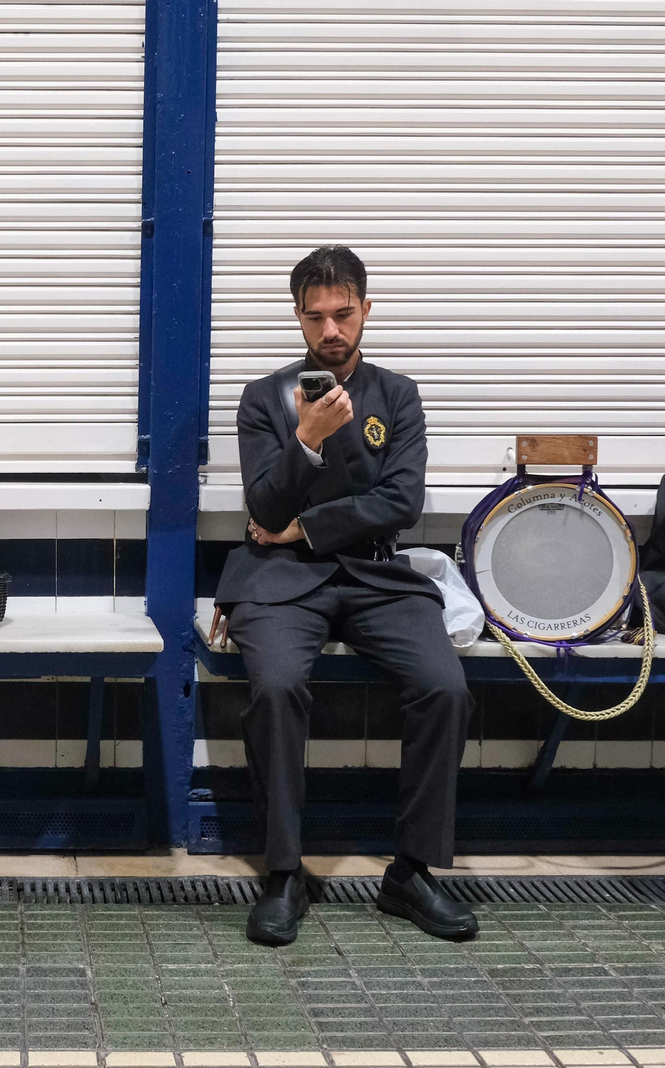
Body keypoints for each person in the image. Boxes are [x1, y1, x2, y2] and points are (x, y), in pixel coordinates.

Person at [215, 245, 478, 946]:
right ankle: (283, 874)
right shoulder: (264, 399)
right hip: (280, 583)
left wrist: (304, 526)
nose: (330, 331)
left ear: (365, 309)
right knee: (274, 686)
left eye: (344, 313)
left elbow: (400, 502)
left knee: (443, 686)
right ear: (298, 319)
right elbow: (261, 509)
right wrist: (305, 438)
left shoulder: (398, 395)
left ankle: (412, 872)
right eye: (316, 317)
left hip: (373, 575)